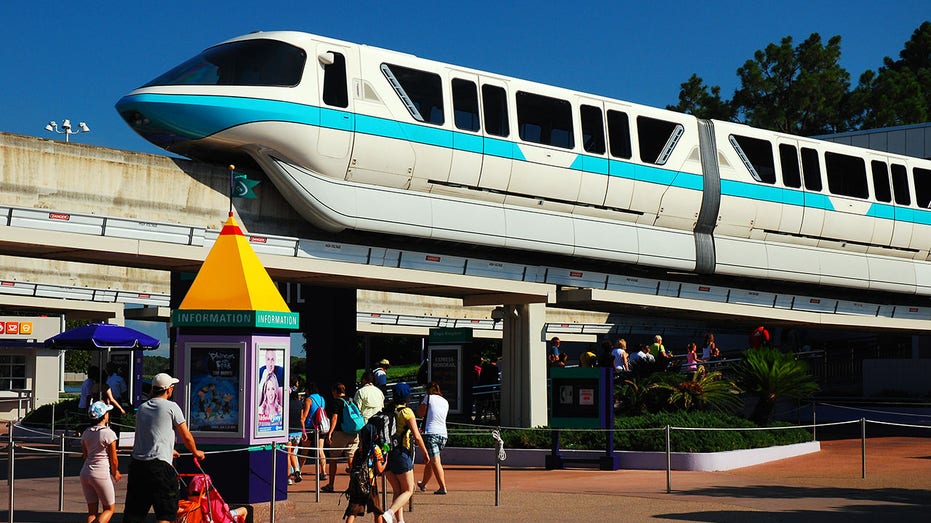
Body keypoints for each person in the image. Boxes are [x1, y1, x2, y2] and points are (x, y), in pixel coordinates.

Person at [124, 373, 205, 523]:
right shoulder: (172, 407)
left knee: (134, 515)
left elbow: (150, 434)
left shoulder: (142, 408)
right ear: (169, 390)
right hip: (160, 467)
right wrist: (196, 452)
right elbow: (186, 436)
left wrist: (169, 449)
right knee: (165, 514)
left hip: (138, 466)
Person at [382, 383, 430, 523]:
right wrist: (425, 452)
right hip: (401, 453)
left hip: (387, 453)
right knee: (409, 489)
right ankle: (389, 513)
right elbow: (417, 435)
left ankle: (400, 521)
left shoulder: (387, 409)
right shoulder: (406, 412)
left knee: (398, 490)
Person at [81, 401, 121, 523]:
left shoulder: (86, 433)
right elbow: (113, 459)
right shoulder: (109, 433)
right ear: (104, 416)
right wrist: (115, 472)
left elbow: (85, 455)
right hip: (101, 473)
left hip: (85, 472)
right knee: (109, 509)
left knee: (92, 512)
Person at [321, 382, 359, 493]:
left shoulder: (336, 402)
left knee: (333, 458)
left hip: (340, 433)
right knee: (351, 459)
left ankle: (331, 484)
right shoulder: (352, 400)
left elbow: (334, 418)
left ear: (335, 391)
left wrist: (330, 432)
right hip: (353, 433)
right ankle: (354, 485)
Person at [416, 382, 449, 495]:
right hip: (443, 434)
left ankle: (442, 487)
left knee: (435, 462)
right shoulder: (445, 401)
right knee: (431, 461)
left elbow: (420, 413)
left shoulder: (428, 398)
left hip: (431, 433)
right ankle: (423, 484)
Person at [299, 383, 328, 481]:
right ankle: (323, 472)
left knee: (304, 451)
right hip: (320, 427)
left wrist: (303, 430)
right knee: (320, 450)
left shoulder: (309, 400)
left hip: (309, 427)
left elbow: (304, 416)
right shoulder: (322, 399)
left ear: (308, 390)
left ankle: (299, 471)